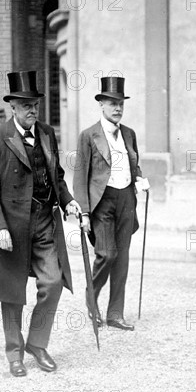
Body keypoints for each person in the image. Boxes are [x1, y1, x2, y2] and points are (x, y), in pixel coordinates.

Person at [0, 71, 82, 377]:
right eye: (24, 104)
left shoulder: (48, 133)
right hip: (11, 226)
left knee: (53, 281)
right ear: (12, 106)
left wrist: (69, 201)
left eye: (34, 104)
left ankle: (37, 343)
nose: (31, 110)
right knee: (11, 292)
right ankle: (14, 353)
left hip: (44, 221)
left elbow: (57, 176)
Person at [73, 77, 150, 331]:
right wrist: (84, 212)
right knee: (106, 254)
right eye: (112, 103)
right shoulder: (88, 136)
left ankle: (115, 313)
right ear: (101, 105)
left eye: (120, 104)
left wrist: (140, 179)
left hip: (126, 199)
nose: (117, 108)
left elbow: (133, 162)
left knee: (123, 259)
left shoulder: (129, 133)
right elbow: (80, 176)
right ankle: (91, 296)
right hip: (102, 202)